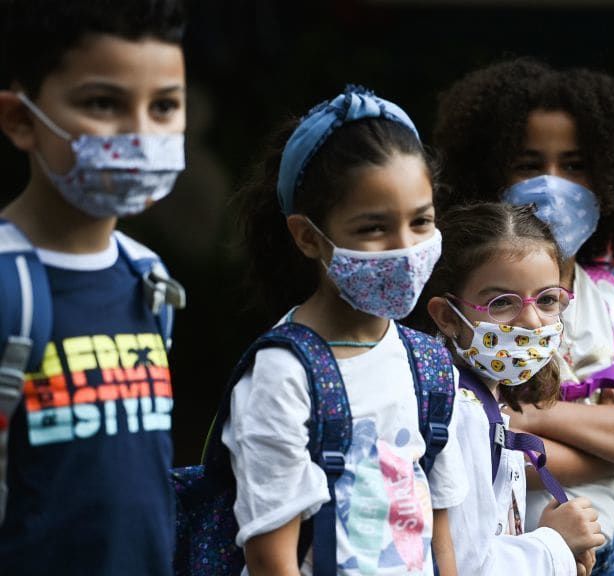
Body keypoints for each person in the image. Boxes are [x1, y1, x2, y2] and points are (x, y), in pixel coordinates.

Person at [434, 59, 614, 575]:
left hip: (599, 551)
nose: (552, 185)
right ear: (488, 171)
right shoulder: (460, 307)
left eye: (575, 165)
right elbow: (471, 451)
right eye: (529, 164)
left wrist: (530, 417)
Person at [224, 86, 467, 575]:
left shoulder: (429, 364)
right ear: (309, 237)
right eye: (373, 228)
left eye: (421, 221)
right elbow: (272, 558)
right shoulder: (284, 375)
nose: (405, 248)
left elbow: (439, 528)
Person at [0, 1, 187, 574]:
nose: (140, 134)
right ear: (21, 119)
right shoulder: (10, 285)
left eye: (163, 107)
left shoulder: (149, 278)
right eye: (103, 104)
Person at [416, 202, 606, 576]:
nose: (532, 320)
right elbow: (468, 565)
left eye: (548, 299)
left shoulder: (479, 400)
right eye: (502, 303)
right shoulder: (461, 412)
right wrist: (555, 543)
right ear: (446, 316)